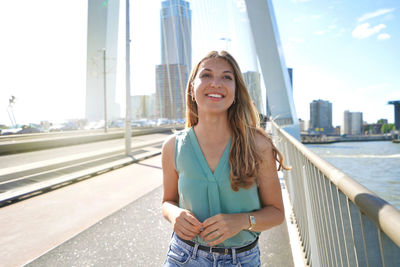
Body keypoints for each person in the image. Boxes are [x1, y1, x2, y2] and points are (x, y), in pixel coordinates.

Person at [161, 50, 289, 266]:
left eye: (226, 77)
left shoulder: (257, 145)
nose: (216, 83)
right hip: (183, 257)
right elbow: (167, 201)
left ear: (236, 92)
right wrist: (175, 214)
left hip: (241, 260)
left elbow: (276, 213)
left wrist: (242, 221)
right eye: (206, 75)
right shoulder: (173, 146)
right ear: (192, 88)